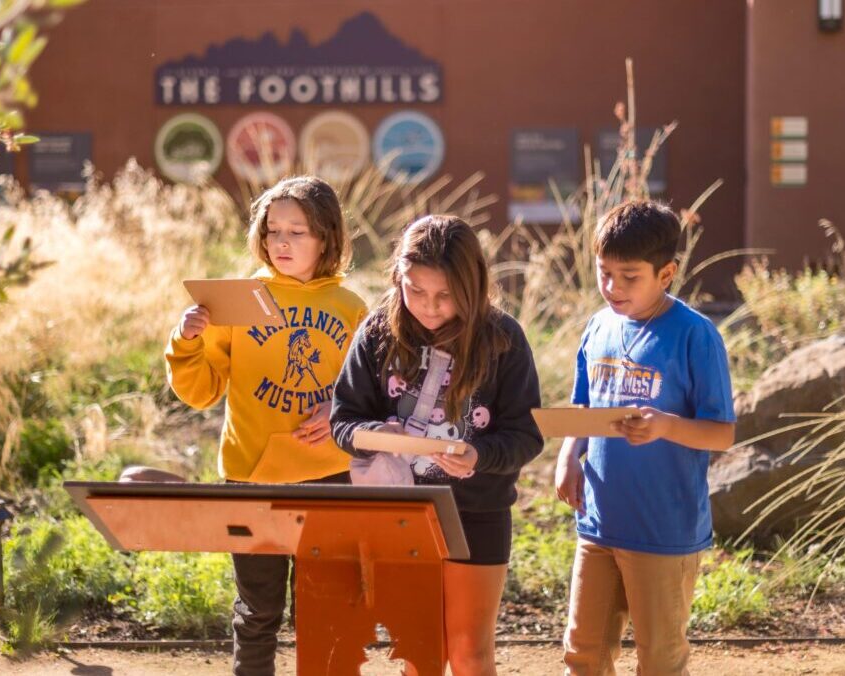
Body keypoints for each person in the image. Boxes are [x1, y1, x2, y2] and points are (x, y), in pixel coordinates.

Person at [126, 175, 367, 676]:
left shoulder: (352, 309)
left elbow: (371, 391)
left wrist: (338, 413)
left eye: (298, 232)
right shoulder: (237, 300)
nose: (282, 241)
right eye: (273, 229)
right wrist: (187, 340)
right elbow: (201, 390)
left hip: (328, 476)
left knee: (326, 611)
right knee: (257, 612)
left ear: (327, 237)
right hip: (253, 474)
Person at [331, 215, 544, 676]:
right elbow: (343, 419)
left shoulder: (503, 339)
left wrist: (479, 454)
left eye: (445, 295)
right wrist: (373, 437)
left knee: (469, 652)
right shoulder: (376, 333)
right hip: (402, 514)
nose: (428, 307)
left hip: (477, 513)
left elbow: (526, 435)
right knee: (419, 651)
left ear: (473, 285)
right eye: (415, 291)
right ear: (397, 278)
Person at [553, 200, 736, 675]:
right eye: (604, 273)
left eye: (629, 276)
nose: (612, 287)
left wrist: (666, 426)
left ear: (667, 273)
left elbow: (722, 434)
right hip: (598, 523)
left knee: (658, 659)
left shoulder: (696, 335)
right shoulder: (598, 326)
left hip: (663, 531)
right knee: (583, 654)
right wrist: (569, 453)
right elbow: (582, 406)